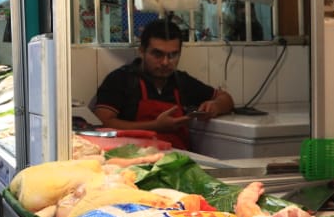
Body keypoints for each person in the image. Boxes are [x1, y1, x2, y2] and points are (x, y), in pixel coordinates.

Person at [90, 18, 235, 151]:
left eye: (173, 55)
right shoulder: (121, 79)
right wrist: (155, 126)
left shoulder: (181, 81)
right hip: (134, 161)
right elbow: (103, 122)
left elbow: (226, 99)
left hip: (178, 160)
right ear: (142, 51)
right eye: (157, 54)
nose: (166, 62)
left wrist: (215, 106)